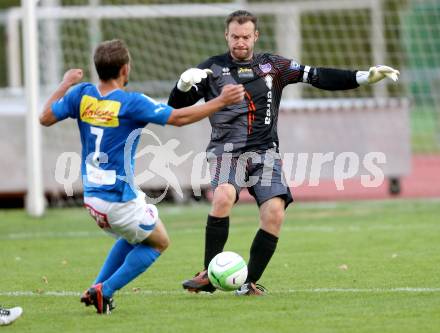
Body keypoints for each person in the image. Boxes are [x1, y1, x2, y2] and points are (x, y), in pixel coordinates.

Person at [168, 10, 399, 296]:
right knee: (224, 195)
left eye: (246, 37)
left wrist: (363, 77)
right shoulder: (211, 69)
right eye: (235, 37)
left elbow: (316, 76)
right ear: (226, 35)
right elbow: (176, 108)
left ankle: (248, 282)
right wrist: (183, 84)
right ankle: (207, 273)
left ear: (256, 36)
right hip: (226, 151)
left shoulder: (273, 65)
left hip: (265, 153)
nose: (240, 42)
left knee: (275, 213)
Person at [40, 39, 244, 314]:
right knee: (159, 242)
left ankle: (97, 288)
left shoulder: (81, 95)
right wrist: (221, 101)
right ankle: (104, 291)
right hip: (117, 199)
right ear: (125, 69)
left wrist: (65, 83)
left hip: (92, 197)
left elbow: (45, 117)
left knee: (136, 235)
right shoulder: (130, 103)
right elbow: (179, 118)